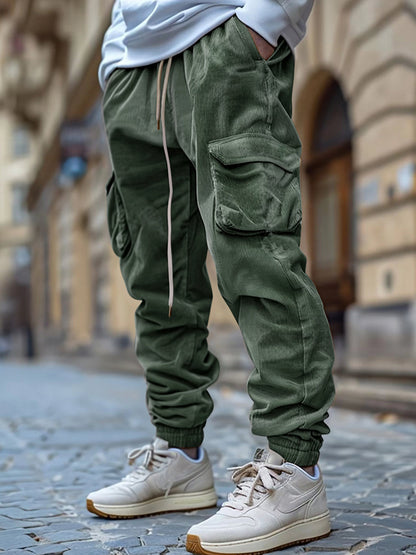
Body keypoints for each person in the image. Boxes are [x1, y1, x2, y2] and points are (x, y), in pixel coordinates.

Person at [86, 1, 336, 553]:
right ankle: (180, 456)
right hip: (132, 70)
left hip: (222, 40)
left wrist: (270, 17)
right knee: (158, 281)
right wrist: (113, 56)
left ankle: (295, 471)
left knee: (256, 254)